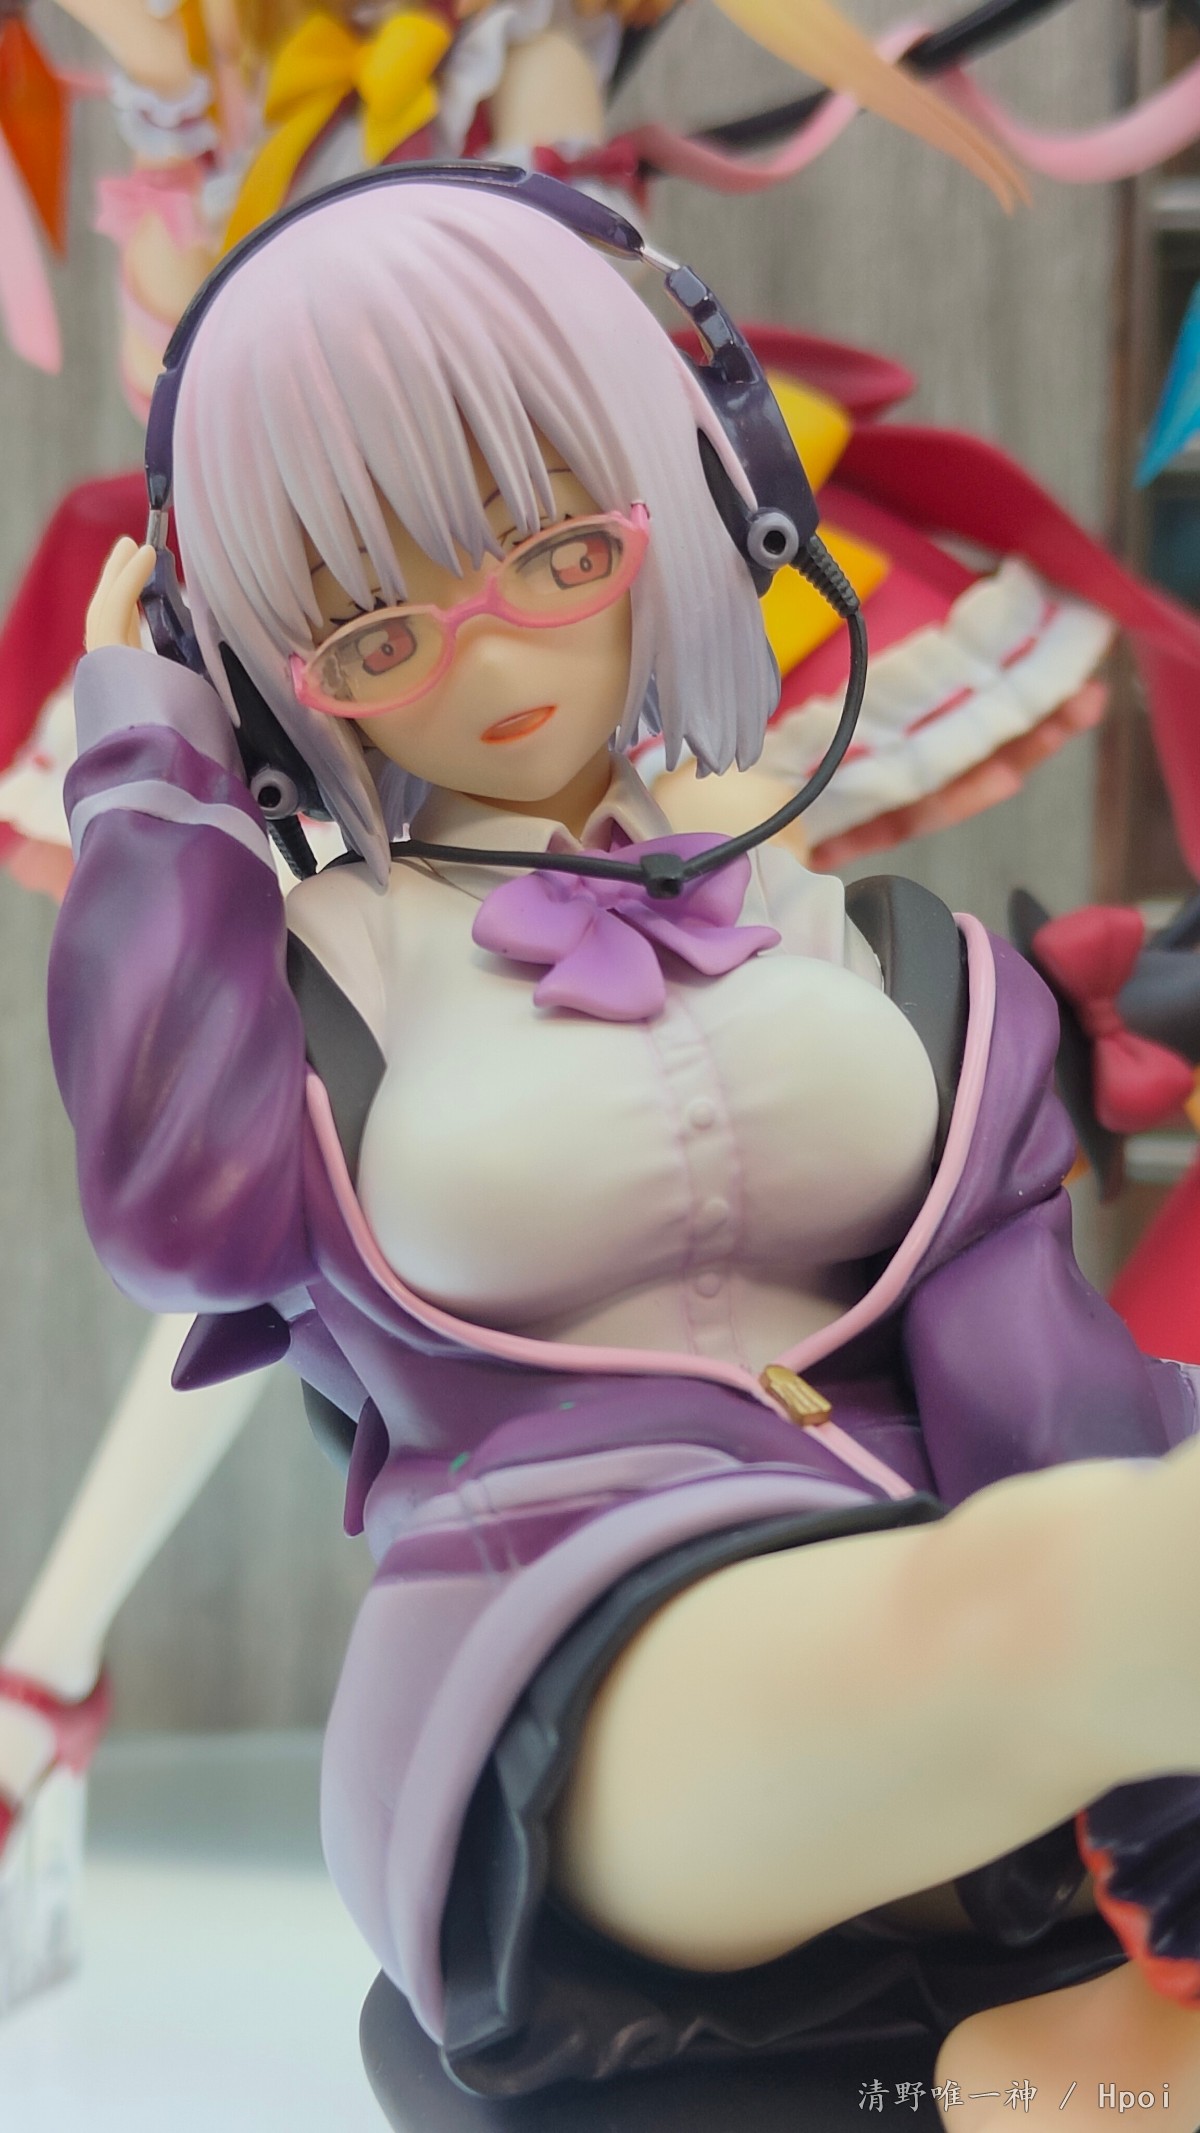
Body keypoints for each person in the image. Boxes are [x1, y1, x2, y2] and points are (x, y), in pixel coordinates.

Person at [47, 171, 1200, 2128]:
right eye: (375, 627)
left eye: (558, 551)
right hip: (563, 1663)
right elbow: (175, 1213)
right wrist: (150, 761)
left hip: (948, 1617)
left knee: (1106, 1550)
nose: (494, 664)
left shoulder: (863, 935)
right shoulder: (322, 968)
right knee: (1069, 1573)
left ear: (702, 494)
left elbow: (1037, 1372)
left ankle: (1004, 2061)